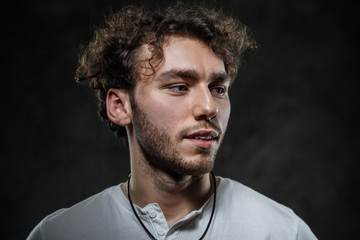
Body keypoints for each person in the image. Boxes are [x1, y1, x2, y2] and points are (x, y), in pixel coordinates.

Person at [28, 2, 317, 240]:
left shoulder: (280, 232)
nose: (208, 107)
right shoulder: (60, 233)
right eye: (179, 86)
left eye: (218, 89)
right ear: (120, 106)